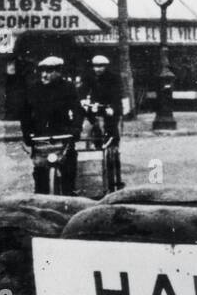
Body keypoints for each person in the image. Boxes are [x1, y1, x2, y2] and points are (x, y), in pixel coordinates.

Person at [20, 55, 79, 194]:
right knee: (40, 170)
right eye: (42, 71)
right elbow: (25, 114)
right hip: (41, 134)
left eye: (49, 71)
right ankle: (40, 198)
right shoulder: (34, 88)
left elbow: (77, 110)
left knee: (69, 165)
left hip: (63, 132)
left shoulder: (68, 87)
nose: (44, 75)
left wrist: (76, 128)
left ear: (59, 72)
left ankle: (69, 194)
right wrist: (27, 134)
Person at [79, 53, 125, 191]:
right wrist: (83, 100)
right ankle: (96, 144)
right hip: (95, 106)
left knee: (112, 128)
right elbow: (82, 89)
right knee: (90, 124)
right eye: (95, 66)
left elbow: (117, 94)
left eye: (101, 66)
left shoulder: (114, 78)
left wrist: (113, 107)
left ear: (106, 66)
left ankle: (113, 148)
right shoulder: (89, 77)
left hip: (110, 107)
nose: (98, 69)